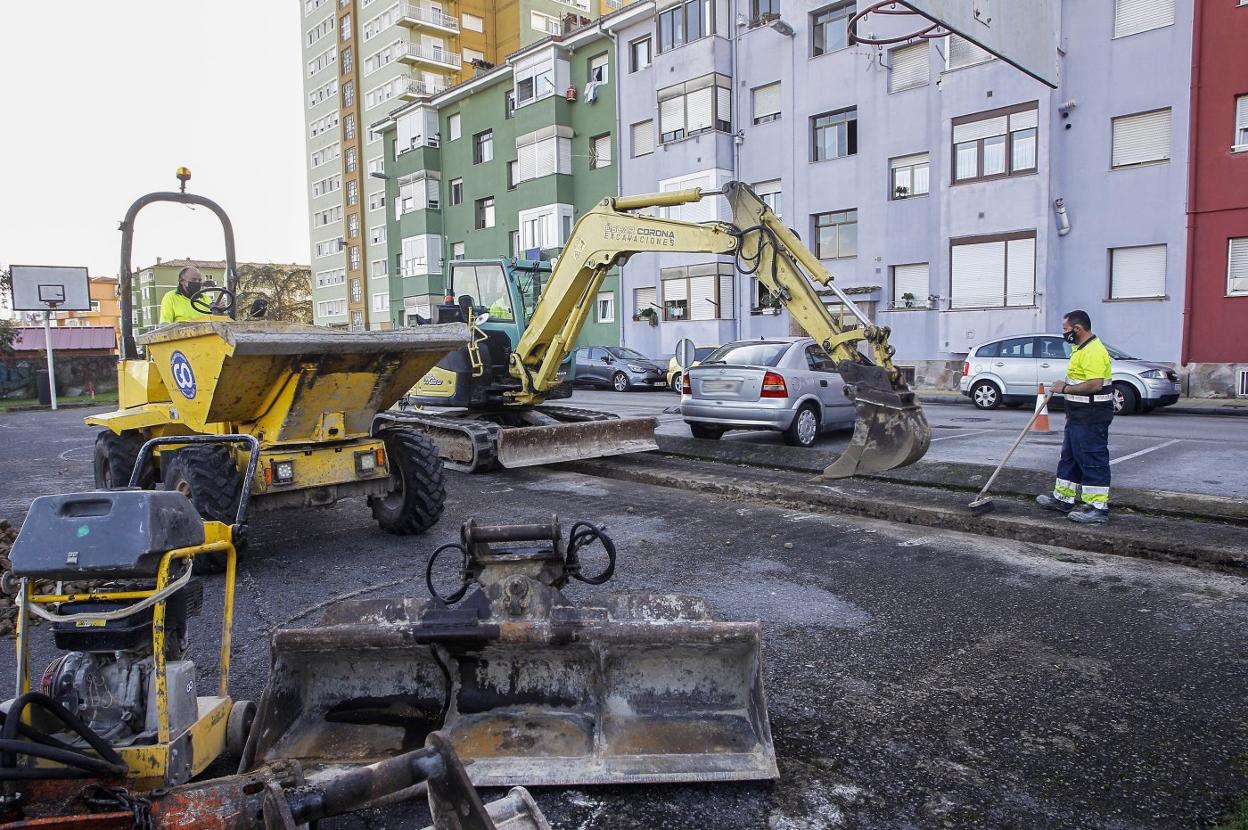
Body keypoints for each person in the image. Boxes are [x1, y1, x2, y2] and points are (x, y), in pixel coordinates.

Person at [1035, 310, 1114, 523]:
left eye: (1065, 329)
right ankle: (1063, 498)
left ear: (1077, 329)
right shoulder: (1079, 348)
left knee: (1092, 458)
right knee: (1069, 456)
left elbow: (1095, 384)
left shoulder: (1093, 351)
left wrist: (1066, 388)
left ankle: (1097, 507)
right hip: (1079, 414)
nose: (1064, 333)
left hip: (1092, 414)